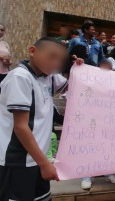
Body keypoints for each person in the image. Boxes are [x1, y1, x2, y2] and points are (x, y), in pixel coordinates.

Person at [0, 38, 71, 200]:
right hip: (18, 161)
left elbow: (78, 84)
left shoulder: (49, 77)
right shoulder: (20, 77)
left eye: (61, 60)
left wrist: (79, 70)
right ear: (32, 51)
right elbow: (20, 127)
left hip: (37, 160)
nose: (57, 63)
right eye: (52, 57)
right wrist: (45, 164)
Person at [80, 59, 115, 189]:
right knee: (90, 148)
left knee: (107, 147)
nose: (105, 71)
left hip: (109, 122)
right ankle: (86, 176)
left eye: (108, 69)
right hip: (91, 121)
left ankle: (109, 172)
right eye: (103, 68)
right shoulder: (89, 82)